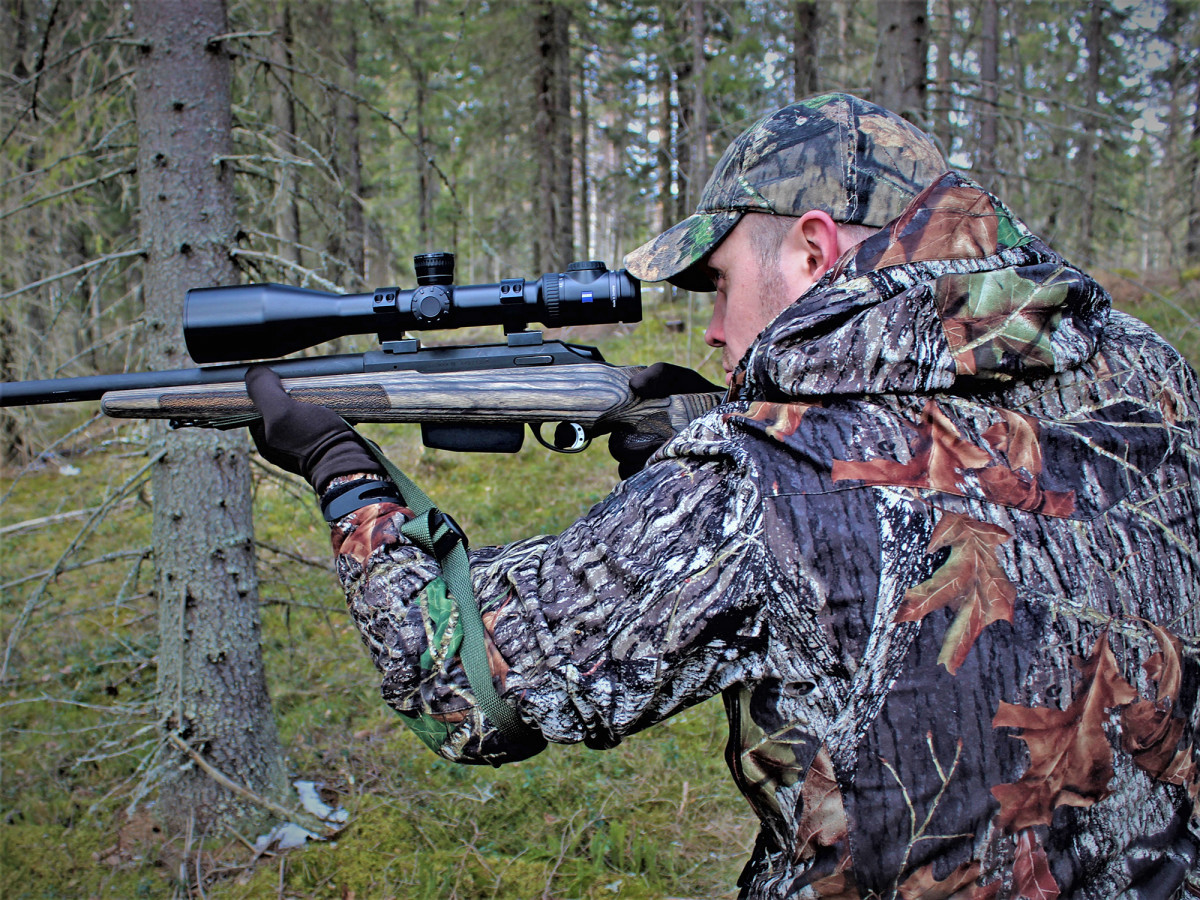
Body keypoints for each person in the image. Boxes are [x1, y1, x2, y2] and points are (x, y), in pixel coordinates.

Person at [245, 93, 1200, 899]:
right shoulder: (1152, 373)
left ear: (813, 253)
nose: (709, 328)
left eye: (718, 280)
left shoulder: (761, 474)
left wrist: (346, 475)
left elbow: (461, 685)